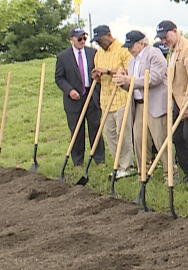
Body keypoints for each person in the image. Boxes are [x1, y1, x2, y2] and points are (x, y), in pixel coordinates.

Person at [112, 31, 169, 179]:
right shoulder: (131, 62)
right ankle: (143, 172)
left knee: (160, 139)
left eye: (131, 46)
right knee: (138, 139)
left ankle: (170, 173)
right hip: (139, 105)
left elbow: (155, 78)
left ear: (141, 43)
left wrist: (129, 80)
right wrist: (122, 82)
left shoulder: (154, 54)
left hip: (154, 103)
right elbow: (133, 85)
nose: (129, 49)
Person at [89, 25, 134, 178]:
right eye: (97, 41)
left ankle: (127, 166)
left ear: (109, 35)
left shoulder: (123, 50)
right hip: (106, 99)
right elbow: (100, 76)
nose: (99, 43)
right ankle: (118, 164)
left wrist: (107, 71)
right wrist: (97, 75)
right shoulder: (98, 54)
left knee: (123, 133)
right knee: (110, 133)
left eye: (101, 40)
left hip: (121, 97)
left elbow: (130, 73)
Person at [157, 20, 188, 183]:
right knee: (177, 138)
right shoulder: (172, 51)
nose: (163, 41)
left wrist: (187, 103)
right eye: (161, 39)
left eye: (165, 37)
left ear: (175, 31)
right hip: (177, 101)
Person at [55, 27, 102, 167]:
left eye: (84, 38)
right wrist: (69, 91)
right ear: (72, 39)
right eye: (79, 39)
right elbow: (59, 78)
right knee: (76, 130)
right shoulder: (63, 57)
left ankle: (99, 159)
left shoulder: (93, 53)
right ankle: (78, 161)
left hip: (91, 95)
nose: (82, 41)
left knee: (95, 127)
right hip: (74, 99)